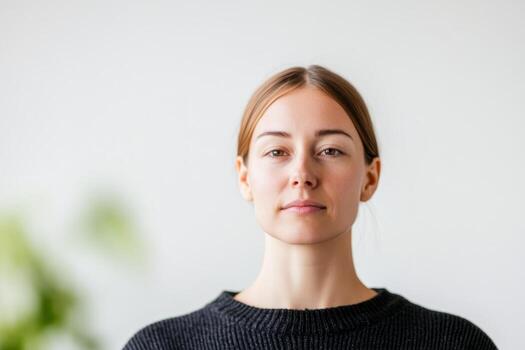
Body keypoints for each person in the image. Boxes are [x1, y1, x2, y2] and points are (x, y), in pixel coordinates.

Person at [123, 65, 498, 349]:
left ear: (370, 177)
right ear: (244, 177)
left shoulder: (452, 344)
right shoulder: (162, 346)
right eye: (277, 152)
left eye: (330, 151)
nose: (302, 173)